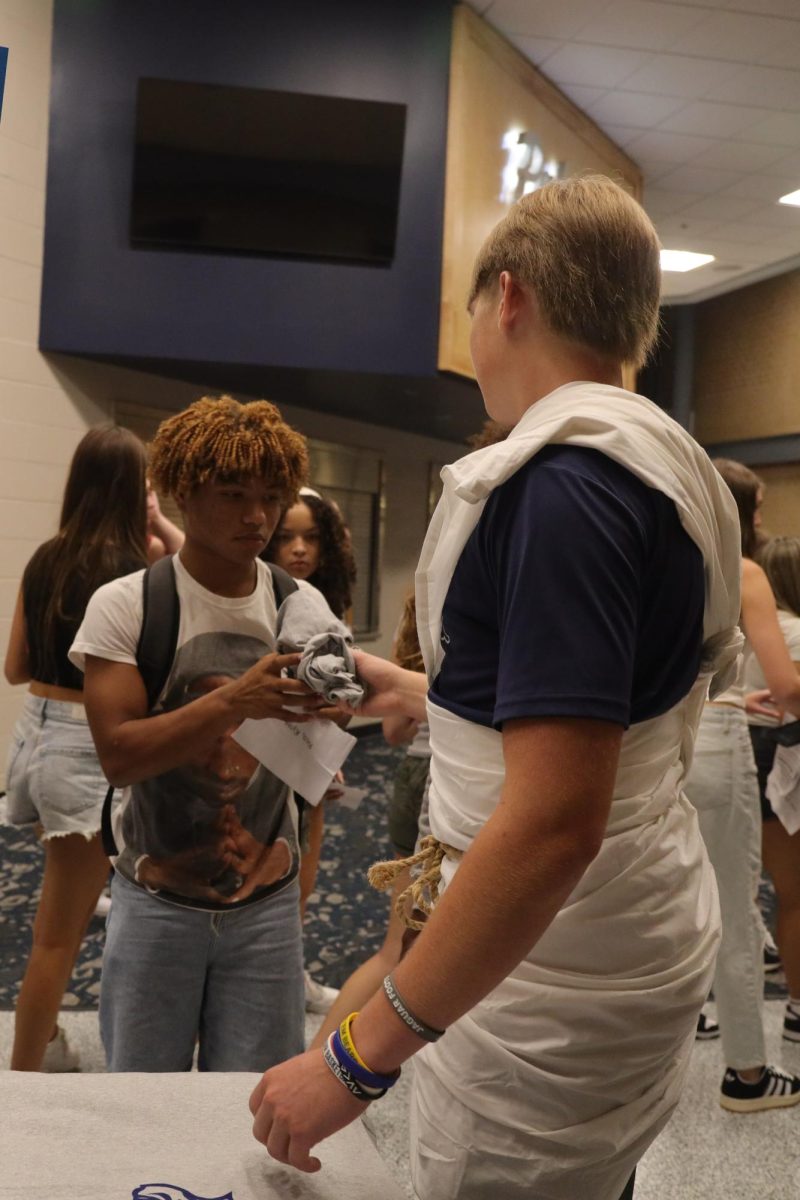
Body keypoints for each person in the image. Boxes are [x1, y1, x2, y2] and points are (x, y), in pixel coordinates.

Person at [248, 175, 743, 1200]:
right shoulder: (659, 462)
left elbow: (556, 818)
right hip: (614, 925)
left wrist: (354, 1059)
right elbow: (609, 719)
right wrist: (425, 704)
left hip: (551, 969)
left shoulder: (565, 489)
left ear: (507, 297)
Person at [70, 395, 342, 1072]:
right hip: (156, 900)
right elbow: (119, 756)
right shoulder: (129, 605)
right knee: (143, 1105)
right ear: (183, 494)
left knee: (250, 1110)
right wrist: (235, 703)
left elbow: (327, 717)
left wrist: (321, 740)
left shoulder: (298, 603)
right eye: (233, 495)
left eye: (270, 497)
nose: (257, 517)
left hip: (266, 910)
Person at [3, 425, 149, 1071]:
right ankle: (25, 1075)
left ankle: (51, 1045)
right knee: (56, 940)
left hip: (32, 738)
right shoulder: (136, 575)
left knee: (63, 910)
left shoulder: (44, 557)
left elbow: (14, 666)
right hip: (85, 750)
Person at [684, 460, 800, 1110]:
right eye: (755, 511)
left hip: (662, 744)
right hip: (717, 752)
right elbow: (788, 686)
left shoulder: (657, 559)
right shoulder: (741, 569)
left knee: (672, 894)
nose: (759, 524)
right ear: (735, 511)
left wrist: (730, 698)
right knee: (735, 909)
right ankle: (748, 1074)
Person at [309, 588, 431, 1050]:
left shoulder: (421, 604)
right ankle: (320, 1067)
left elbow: (394, 732)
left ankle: (315, 1058)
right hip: (453, 783)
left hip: (414, 777)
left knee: (398, 947)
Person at [264, 488, 357, 1014]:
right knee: (269, 873)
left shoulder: (328, 595)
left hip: (312, 757)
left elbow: (343, 694)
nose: (299, 548)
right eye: (288, 537)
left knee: (304, 875)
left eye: (311, 537)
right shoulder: (265, 592)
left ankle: (291, 974)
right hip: (266, 754)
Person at [743, 533, 800, 1043]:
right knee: (795, 895)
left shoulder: (745, 632)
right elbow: (795, 695)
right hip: (784, 759)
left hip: (744, 754)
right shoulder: (794, 632)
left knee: (752, 888)